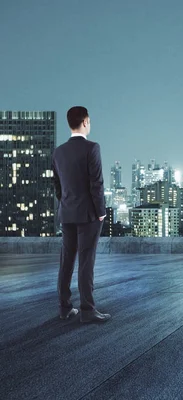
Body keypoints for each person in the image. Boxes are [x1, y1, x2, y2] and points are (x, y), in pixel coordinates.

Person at [51, 106, 111, 323]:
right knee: (86, 261)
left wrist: (65, 203)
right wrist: (101, 212)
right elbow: (97, 184)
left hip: (66, 213)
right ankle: (87, 310)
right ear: (85, 121)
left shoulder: (58, 152)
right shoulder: (92, 148)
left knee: (66, 261)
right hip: (88, 215)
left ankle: (65, 307)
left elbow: (56, 184)